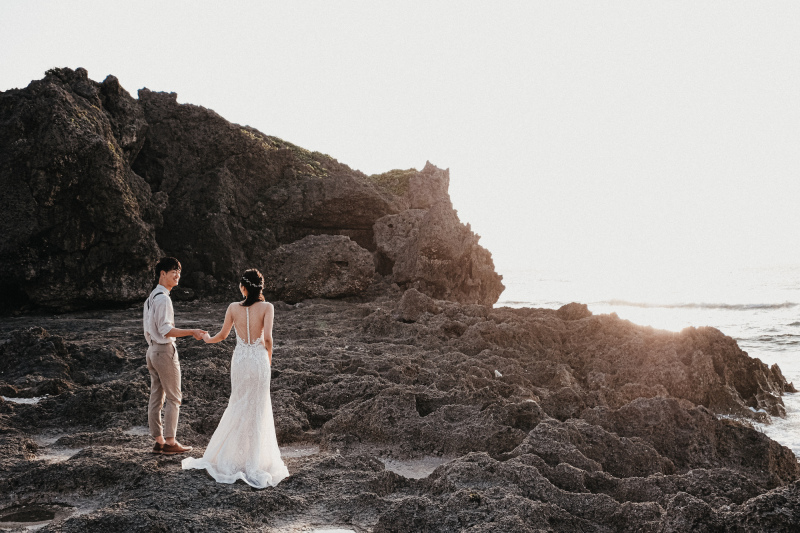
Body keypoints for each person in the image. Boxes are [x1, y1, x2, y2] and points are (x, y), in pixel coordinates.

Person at [182, 268, 289, 488]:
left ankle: (231, 457)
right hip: (258, 360)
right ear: (261, 287)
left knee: (238, 404)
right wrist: (268, 358)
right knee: (258, 408)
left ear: (243, 287)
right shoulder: (268, 307)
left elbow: (221, 336)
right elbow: (267, 338)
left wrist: (206, 338)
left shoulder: (232, 308)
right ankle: (254, 459)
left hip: (240, 361)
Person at [143, 257, 208, 455]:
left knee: (156, 396)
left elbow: (149, 329)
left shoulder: (151, 297)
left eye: (179, 271)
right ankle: (170, 442)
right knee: (174, 398)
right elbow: (165, 330)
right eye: (173, 271)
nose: (177, 275)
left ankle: (159, 441)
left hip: (152, 351)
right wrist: (192, 331)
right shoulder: (163, 298)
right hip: (163, 351)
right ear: (162, 273)